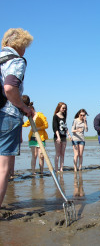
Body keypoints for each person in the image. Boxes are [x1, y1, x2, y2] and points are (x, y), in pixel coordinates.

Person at [0, 28, 33, 207]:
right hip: (7, 115)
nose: (25, 50)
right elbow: (10, 87)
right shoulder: (16, 60)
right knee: (3, 168)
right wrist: (22, 106)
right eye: (25, 46)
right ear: (20, 45)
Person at [22, 99, 48, 174]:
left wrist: (37, 128)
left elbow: (46, 125)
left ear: (31, 109)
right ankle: (33, 171)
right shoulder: (30, 118)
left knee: (41, 155)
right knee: (34, 155)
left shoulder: (40, 115)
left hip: (41, 137)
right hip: (33, 138)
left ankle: (41, 171)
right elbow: (25, 124)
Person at [53, 102, 71, 172]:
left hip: (64, 136)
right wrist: (58, 137)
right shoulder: (55, 116)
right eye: (63, 108)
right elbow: (55, 127)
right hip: (58, 137)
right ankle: (56, 168)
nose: (64, 109)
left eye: (65, 108)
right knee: (58, 153)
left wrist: (69, 134)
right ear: (59, 108)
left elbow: (65, 126)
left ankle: (61, 168)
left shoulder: (64, 116)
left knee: (62, 153)